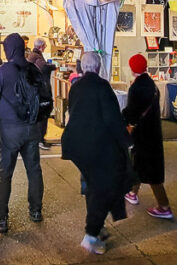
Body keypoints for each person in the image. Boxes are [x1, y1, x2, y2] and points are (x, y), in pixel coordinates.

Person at [61, 51, 131, 255]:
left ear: (82, 67)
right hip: (97, 145)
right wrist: (125, 140)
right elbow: (112, 118)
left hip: (78, 145)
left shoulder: (76, 87)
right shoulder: (102, 87)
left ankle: (96, 227)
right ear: (99, 67)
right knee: (103, 187)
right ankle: (91, 235)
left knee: (93, 184)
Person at [0, 32, 45, 233]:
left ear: (9, 49)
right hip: (31, 128)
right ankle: (36, 211)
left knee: (5, 174)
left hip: (9, 129)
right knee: (34, 170)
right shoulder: (34, 69)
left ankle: (1, 218)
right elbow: (46, 98)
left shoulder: (3, 71)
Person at [123, 54, 172, 219]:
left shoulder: (136, 88)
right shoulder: (152, 85)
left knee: (150, 171)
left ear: (132, 68)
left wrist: (122, 120)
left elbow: (131, 112)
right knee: (139, 164)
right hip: (153, 132)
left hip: (142, 133)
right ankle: (132, 192)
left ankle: (164, 206)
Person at [27, 38, 56, 150]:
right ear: (41, 46)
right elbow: (44, 68)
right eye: (44, 46)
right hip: (41, 90)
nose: (45, 48)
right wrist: (53, 66)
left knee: (39, 115)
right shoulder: (37, 57)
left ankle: (37, 138)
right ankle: (40, 139)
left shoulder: (33, 55)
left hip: (36, 90)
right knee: (42, 115)